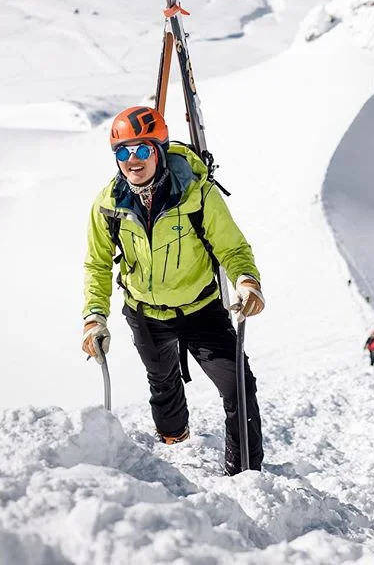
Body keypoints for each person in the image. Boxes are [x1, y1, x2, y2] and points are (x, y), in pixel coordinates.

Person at [81, 105, 265, 475]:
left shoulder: (198, 196)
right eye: (123, 151)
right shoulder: (108, 206)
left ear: (160, 149)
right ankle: (175, 442)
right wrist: (93, 317)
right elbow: (97, 264)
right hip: (146, 315)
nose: (132, 161)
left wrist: (246, 281)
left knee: (239, 389)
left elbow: (232, 249)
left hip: (202, 312)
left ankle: (246, 474)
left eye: (142, 150)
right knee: (163, 388)